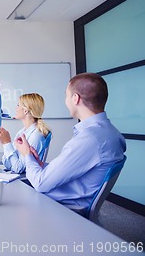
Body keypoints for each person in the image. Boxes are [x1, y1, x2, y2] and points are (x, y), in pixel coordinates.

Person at [15, 73, 126, 210]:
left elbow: (41, 183)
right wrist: (38, 163)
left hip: (60, 207)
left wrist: (27, 154)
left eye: (66, 95)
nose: (65, 100)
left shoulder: (89, 139)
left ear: (75, 98)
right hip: (68, 200)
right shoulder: (110, 132)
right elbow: (77, 168)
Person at [0, 93, 50, 173]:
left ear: (25, 110)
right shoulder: (22, 132)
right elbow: (7, 163)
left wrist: (7, 143)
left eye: (18, 105)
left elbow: (19, 168)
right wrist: (5, 144)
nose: (16, 108)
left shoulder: (36, 136)